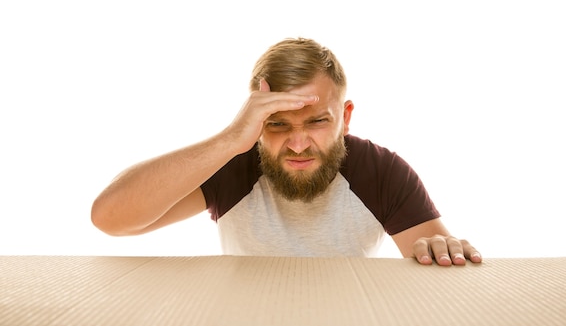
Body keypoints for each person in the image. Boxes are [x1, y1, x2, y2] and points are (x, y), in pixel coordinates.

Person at [91, 37, 482, 266]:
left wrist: (441, 250)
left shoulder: (381, 171)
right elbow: (110, 218)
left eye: (317, 122)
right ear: (255, 120)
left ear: (345, 117)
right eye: (277, 125)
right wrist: (230, 139)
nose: (298, 145)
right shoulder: (233, 164)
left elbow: (433, 265)